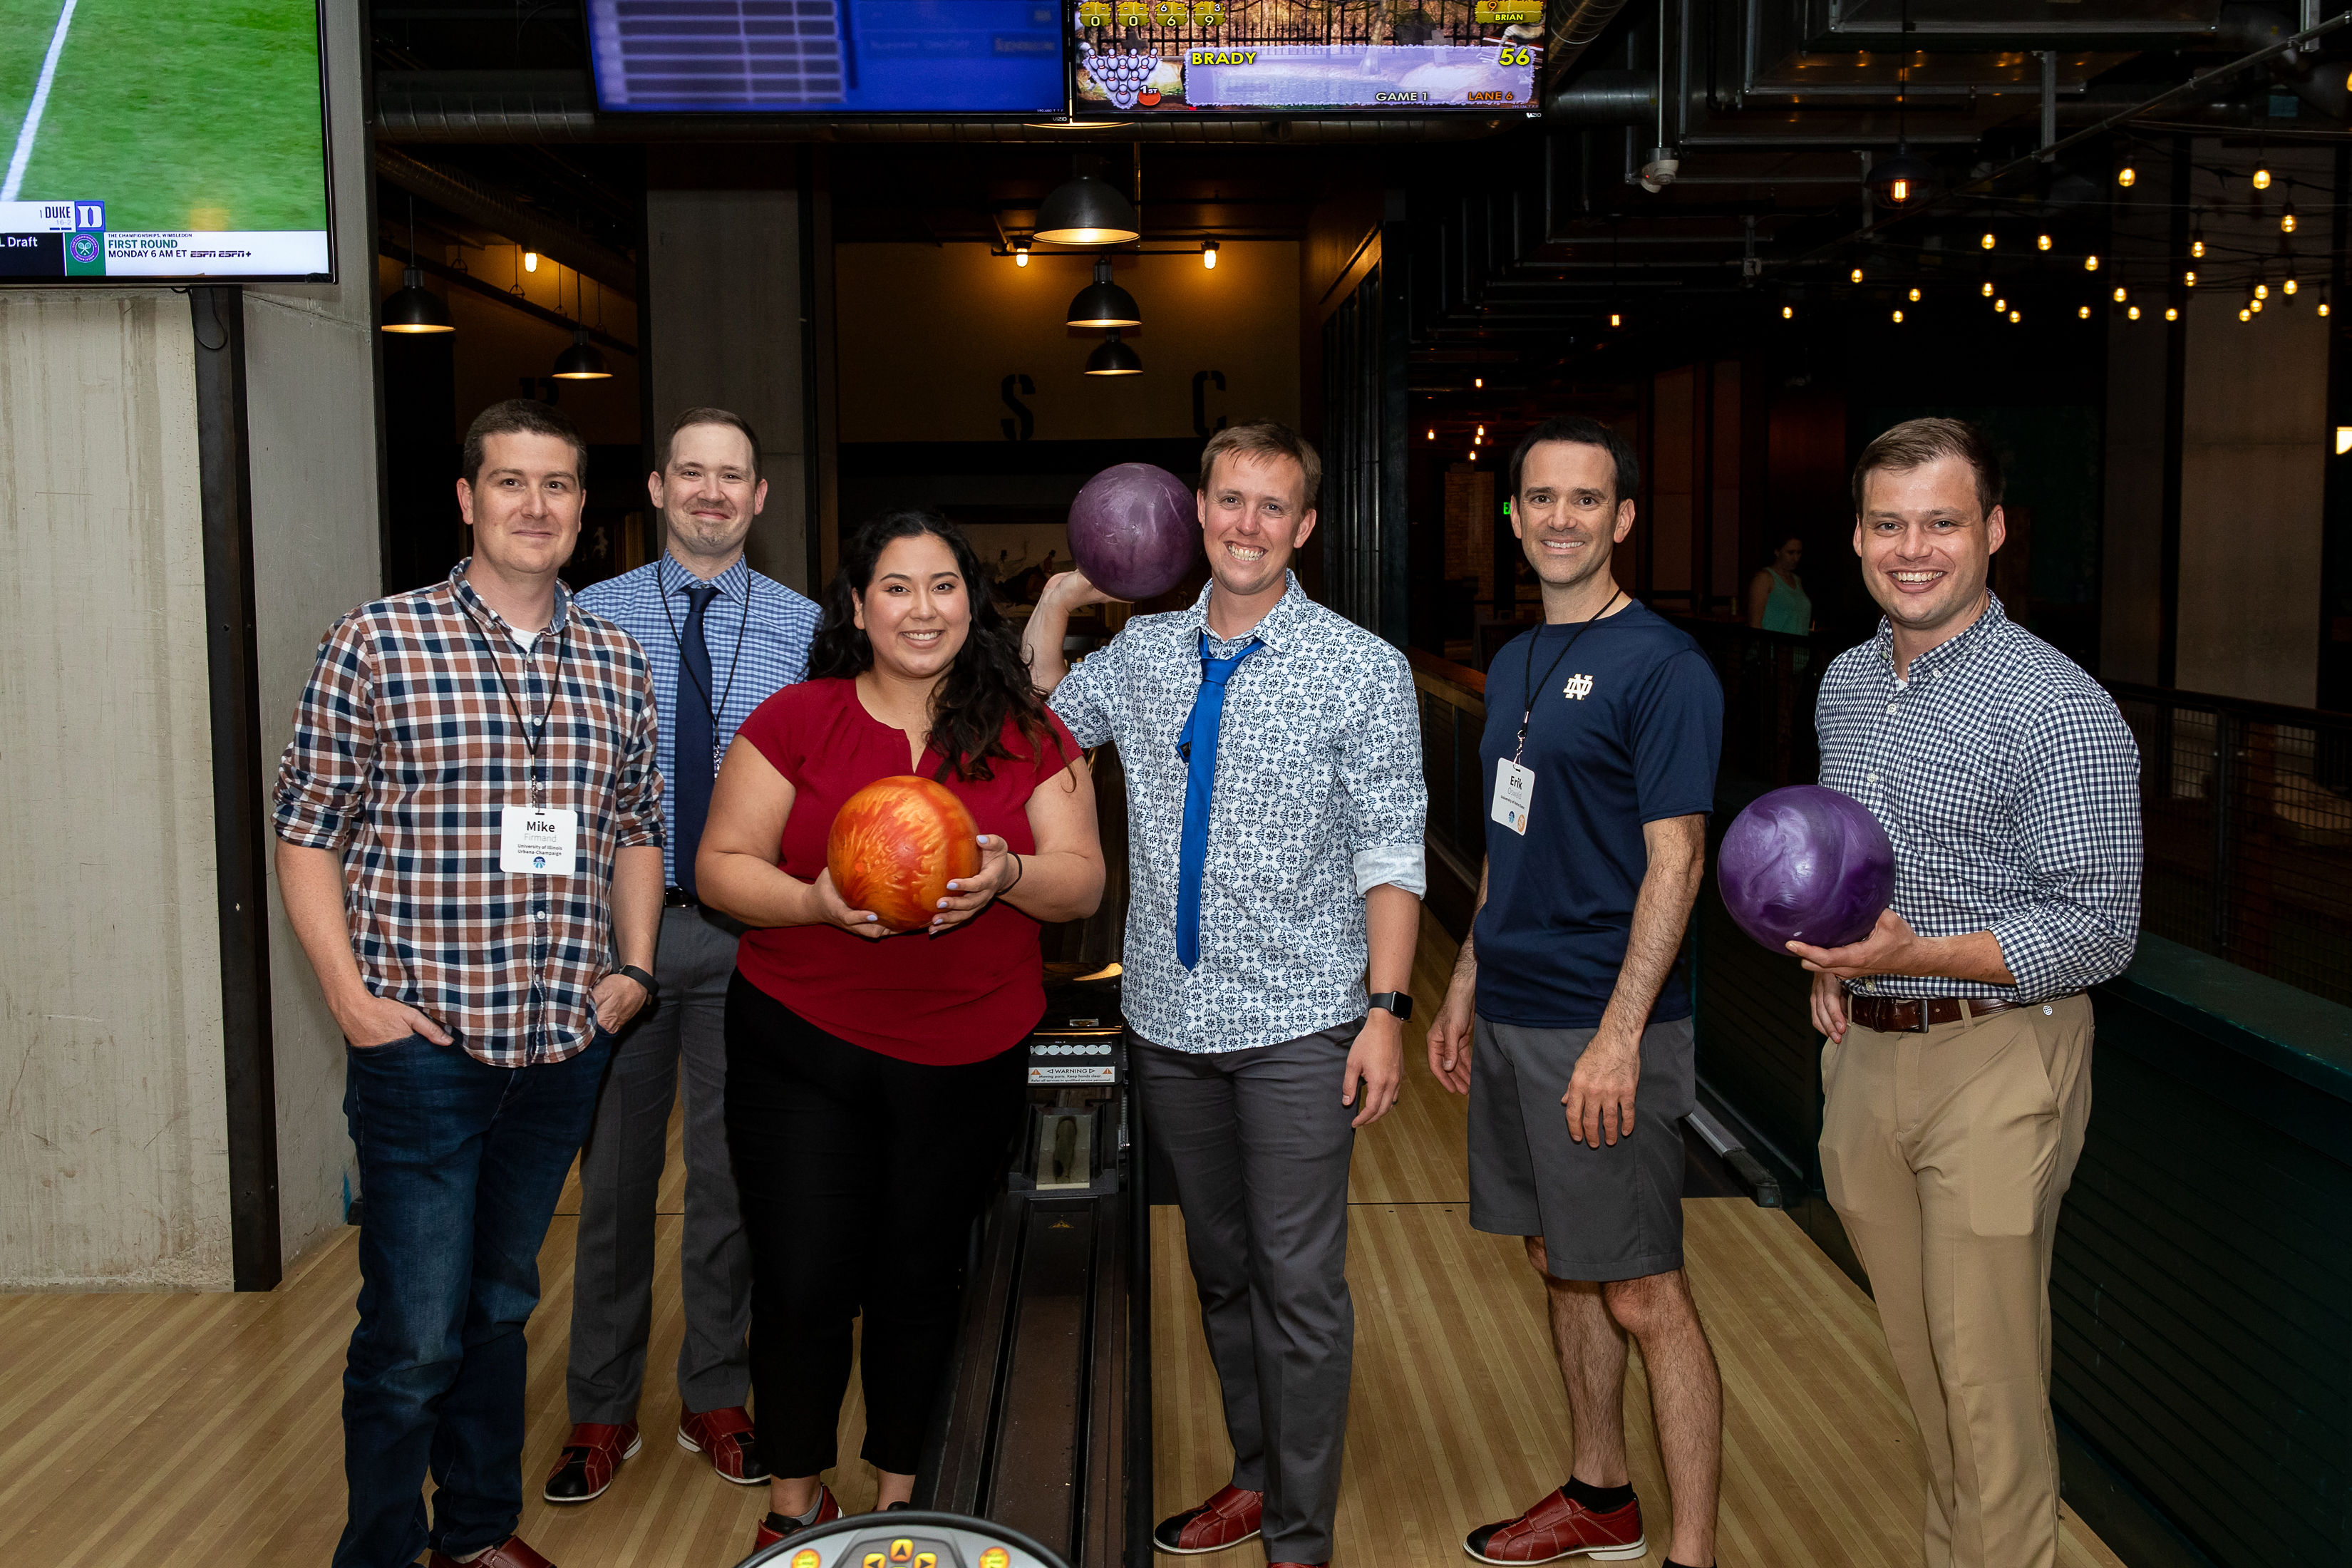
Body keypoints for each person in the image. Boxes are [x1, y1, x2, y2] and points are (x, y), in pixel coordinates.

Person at [1023, 421, 1428, 1568]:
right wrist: (1058, 604)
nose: (1248, 525)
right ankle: (1255, 1478)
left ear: (1303, 528)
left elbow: (1393, 852)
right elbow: (1044, 740)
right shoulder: (1143, 653)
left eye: (1273, 508)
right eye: (1230, 501)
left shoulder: (1361, 666)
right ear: (1196, 512)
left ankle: (1300, 1539)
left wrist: (1386, 1013)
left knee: (1299, 1284)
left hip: (1302, 1020)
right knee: (1219, 1270)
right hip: (1166, 1017)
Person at [274, 399, 664, 1568]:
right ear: (466, 499)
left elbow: (636, 822)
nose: (535, 506)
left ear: (584, 512)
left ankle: (479, 1535)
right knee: (412, 1336)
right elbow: (305, 831)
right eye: (510, 483)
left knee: (500, 1309)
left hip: (559, 1046)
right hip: (423, 1045)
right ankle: (386, 1550)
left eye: (557, 486)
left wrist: (634, 966)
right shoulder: (377, 641)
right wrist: (349, 999)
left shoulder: (612, 656)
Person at [698, 510, 1105, 1553]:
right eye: (896, 587)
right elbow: (721, 865)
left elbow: (1080, 879)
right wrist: (814, 904)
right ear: (857, 605)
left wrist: (1009, 872)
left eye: (941, 587)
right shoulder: (796, 719)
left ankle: (900, 1497)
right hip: (803, 1038)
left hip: (966, 1050)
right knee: (801, 1273)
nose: (920, 609)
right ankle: (793, 1505)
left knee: (920, 1274)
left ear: (973, 603)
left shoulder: (1028, 731)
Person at [1794, 418, 2140, 1568]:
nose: (1914, 548)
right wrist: (1842, 963)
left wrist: (1912, 955)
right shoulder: (1846, 686)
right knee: (1929, 1380)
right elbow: (1852, 867)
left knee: (1989, 1395)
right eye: (1889, 523)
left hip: (2001, 1055)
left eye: (1942, 522)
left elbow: (2097, 929)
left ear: (1992, 532)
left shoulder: (2059, 709)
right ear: (1856, 537)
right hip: (1869, 1059)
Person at [1426, 415, 1726, 1568]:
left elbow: (1679, 861)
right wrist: (1466, 982)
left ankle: (1690, 1552)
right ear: (1513, 516)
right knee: (1560, 1260)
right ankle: (1600, 1493)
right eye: (1539, 499)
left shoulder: (1665, 669)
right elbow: (1513, 828)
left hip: (1601, 1027)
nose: (1560, 518)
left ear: (1625, 519)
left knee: (1645, 1291)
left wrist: (1618, 1039)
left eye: (1585, 500)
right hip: (1513, 1008)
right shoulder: (1517, 659)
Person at [542, 408, 820, 1506]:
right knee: (611, 1186)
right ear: (656, 489)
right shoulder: (584, 616)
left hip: (756, 935)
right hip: (625, 938)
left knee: (732, 1179)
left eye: (733, 476)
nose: (712, 492)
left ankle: (715, 1391)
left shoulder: (807, 629)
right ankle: (600, 1411)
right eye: (691, 473)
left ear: (760, 498)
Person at [1745, 535, 1812, 634]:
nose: (1796, 558)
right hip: (1772, 648)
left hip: (1798, 648)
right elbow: (1755, 623)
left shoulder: (1797, 580)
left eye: (1799, 553)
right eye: (1791, 553)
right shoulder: (1764, 579)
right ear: (1777, 552)